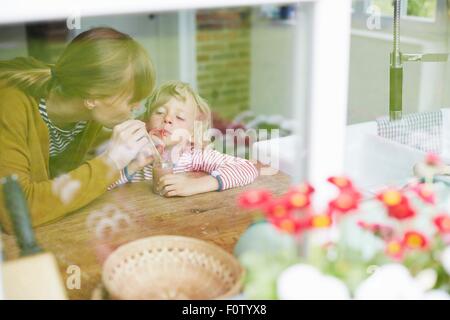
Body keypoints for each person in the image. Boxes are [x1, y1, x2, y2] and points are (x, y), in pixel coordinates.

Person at [0, 27, 155, 231]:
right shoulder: (10, 105)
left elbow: (69, 178)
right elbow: (16, 213)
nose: (137, 107)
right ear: (92, 97)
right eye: (132, 100)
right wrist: (110, 163)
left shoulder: (89, 116)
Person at [109, 81, 259, 196]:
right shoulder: (133, 154)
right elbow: (102, 185)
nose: (167, 118)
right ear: (146, 122)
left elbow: (248, 168)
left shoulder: (194, 155)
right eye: (159, 112)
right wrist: (133, 166)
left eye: (179, 117)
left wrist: (194, 185)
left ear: (192, 133)